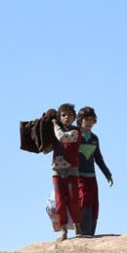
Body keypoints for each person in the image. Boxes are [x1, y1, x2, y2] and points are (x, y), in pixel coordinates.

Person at [76, 106, 113, 236]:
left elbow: (98, 158)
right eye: (86, 119)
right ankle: (82, 230)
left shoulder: (94, 138)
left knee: (94, 202)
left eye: (91, 119)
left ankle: (91, 232)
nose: (89, 121)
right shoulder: (75, 135)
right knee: (83, 199)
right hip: (78, 175)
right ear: (80, 120)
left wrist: (107, 173)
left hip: (91, 176)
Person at [51, 103, 81, 240]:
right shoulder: (56, 132)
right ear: (59, 117)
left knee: (73, 199)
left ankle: (77, 226)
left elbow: (62, 137)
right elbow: (46, 148)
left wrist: (55, 125)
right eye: (63, 115)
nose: (67, 117)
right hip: (57, 170)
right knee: (59, 202)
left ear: (74, 117)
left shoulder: (75, 131)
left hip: (71, 169)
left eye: (69, 115)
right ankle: (63, 230)